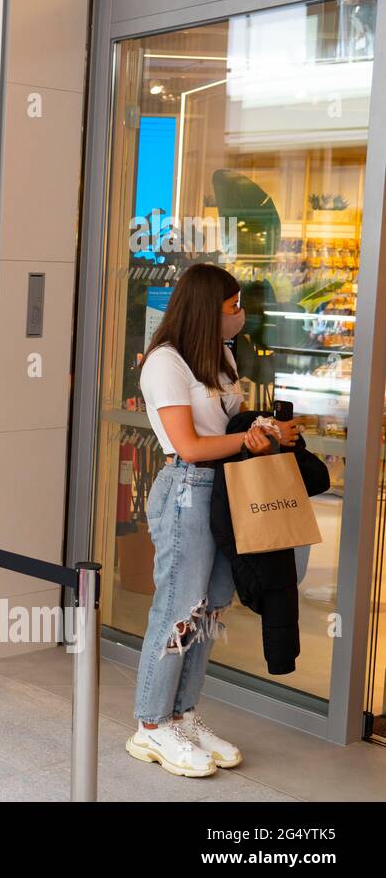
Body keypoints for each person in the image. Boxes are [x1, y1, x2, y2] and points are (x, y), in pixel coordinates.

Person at [126, 263, 296, 777]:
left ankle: (183, 714)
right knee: (180, 608)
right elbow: (191, 444)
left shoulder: (218, 354)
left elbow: (221, 424)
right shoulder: (165, 363)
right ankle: (151, 726)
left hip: (224, 488)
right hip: (187, 489)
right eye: (233, 307)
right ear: (207, 310)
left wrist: (258, 428)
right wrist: (248, 439)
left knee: (209, 611)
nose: (241, 315)